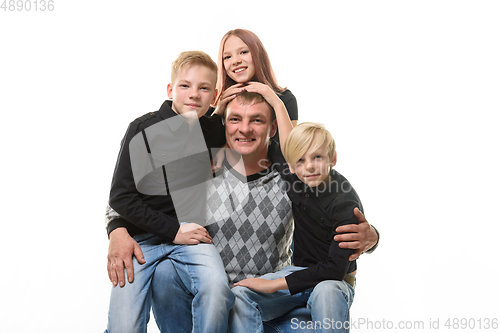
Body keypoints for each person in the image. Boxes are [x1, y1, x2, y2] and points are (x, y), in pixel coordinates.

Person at [106, 90, 380, 332]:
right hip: (207, 307)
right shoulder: (202, 168)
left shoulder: (293, 176)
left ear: (272, 129)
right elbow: (133, 193)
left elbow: (335, 203)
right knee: (165, 272)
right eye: (235, 119)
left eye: (256, 120)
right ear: (223, 124)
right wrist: (117, 228)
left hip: (269, 304)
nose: (245, 129)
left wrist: (372, 237)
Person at [104, 51, 234, 333]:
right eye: (185, 86)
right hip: (142, 240)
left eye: (204, 88)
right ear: (170, 89)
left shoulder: (213, 130)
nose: (194, 95)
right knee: (124, 326)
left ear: (213, 98)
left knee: (217, 289)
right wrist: (167, 229)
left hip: (192, 236)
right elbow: (121, 196)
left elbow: (258, 137)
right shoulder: (143, 128)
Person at [230, 122, 362, 333]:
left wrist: (274, 284)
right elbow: (270, 141)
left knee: (327, 292)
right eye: (300, 160)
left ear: (333, 159)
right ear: (290, 166)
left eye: (317, 157)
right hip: (300, 273)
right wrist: (273, 100)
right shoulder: (296, 179)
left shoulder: (344, 201)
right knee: (239, 295)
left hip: (333, 282)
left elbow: (335, 270)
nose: (309, 166)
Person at [208, 28, 298, 142]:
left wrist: (277, 104)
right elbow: (200, 153)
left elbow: (293, 154)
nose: (235, 61)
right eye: (227, 57)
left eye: (243, 52)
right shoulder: (215, 102)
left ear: (258, 54)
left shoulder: (284, 99)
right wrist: (218, 112)